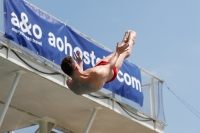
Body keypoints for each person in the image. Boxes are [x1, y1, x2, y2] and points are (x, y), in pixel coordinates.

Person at [61, 30, 136, 95]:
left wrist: (80, 62)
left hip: (99, 75)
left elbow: (78, 75)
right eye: (76, 63)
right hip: (109, 70)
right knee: (124, 53)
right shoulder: (97, 73)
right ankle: (132, 36)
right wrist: (118, 52)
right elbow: (110, 65)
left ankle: (124, 40)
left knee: (117, 52)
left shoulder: (71, 85)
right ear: (76, 67)